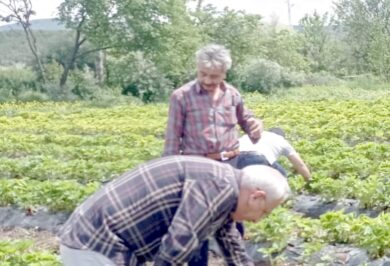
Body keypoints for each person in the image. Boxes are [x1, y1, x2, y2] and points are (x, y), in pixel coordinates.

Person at [58, 156, 290, 266]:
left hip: (102, 243)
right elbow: (178, 244)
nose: (259, 220)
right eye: (265, 212)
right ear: (256, 196)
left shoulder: (225, 188)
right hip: (97, 244)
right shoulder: (218, 187)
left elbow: (232, 246)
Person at [163, 43, 263, 264]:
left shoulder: (233, 94)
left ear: (225, 73)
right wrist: (170, 178)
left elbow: (247, 120)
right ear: (197, 69)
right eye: (203, 74)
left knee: (234, 222)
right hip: (198, 168)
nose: (207, 80)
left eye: (214, 76)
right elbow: (172, 140)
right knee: (197, 227)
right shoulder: (181, 97)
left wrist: (255, 125)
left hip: (231, 166)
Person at [237, 127, 311, 181]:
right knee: (281, 177)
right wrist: (308, 180)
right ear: (282, 136)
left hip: (235, 158)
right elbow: (300, 165)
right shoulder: (281, 140)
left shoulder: (251, 135)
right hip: (257, 158)